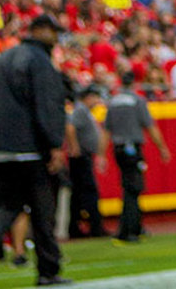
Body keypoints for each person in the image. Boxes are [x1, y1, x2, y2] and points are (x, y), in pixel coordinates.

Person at [0, 13, 73, 285]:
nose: (56, 37)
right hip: (32, 149)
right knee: (42, 212)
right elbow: (46, 106)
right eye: (53, 31)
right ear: (42, 30)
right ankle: (48, 270)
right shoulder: (39, 61)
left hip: (2, 149)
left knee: (7, 208)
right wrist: (54, 144)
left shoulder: (4, 58)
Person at [104, 71, 170, 243]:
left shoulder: (113, 102)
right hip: (132, 148)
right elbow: (150, 126)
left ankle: (136, 226)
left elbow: (106, 130)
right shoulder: (138, 101)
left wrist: (101, 155)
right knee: (134, 188)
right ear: (134, 83)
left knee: (128, 186)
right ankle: (128, 230)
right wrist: (162, 148)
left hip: (118, 148)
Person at [67, 85, 108, 239]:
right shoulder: (81, 110)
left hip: (83, 156)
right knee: (89, 191)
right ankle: (95, 227)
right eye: (95, 97)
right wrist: (75, 147)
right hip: (81, 157)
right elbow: (70, 127)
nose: (97, 101)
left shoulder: (83, 111)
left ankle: (76, 227)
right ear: (88, 97)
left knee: (79, 193)